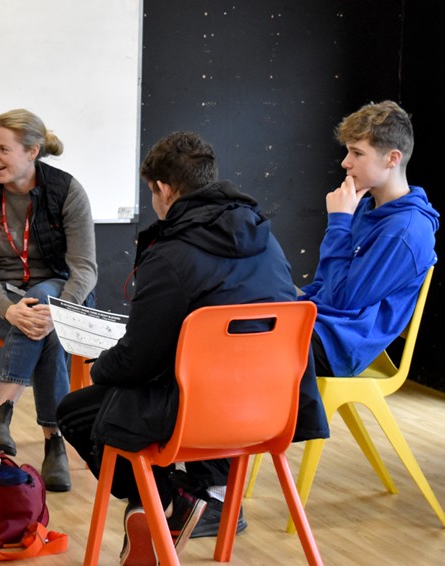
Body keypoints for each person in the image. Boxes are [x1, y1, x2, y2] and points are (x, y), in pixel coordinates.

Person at [55, 131, 329, 565]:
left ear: (164, 189)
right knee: (150, 394)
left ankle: (165, 498)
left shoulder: (171, 254)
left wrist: (100, 366)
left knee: (77, 410)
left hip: (201, 414)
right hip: (271, 409)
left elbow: (137, 360)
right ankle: (198, 495)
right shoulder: (266, 239)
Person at [0, 109, 97, 492]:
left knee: (43, 302)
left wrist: (59, 312)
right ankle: (54, 441)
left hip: (62, 297)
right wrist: (8, 310)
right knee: (42, 322)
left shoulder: (66, 191)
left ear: (32, 151)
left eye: (3, 149)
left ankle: (3, 409)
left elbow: (85, 269)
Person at [301, 100, 438, 377]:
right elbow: (326, 284)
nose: (345, 162)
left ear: (392, 159)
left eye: (357, 153)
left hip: (338, 347)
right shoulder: (366, 208)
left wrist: (339, 222)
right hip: (321, 325)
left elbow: (342, 301)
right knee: (242, 314)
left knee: (243, 344)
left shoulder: (405, 231)